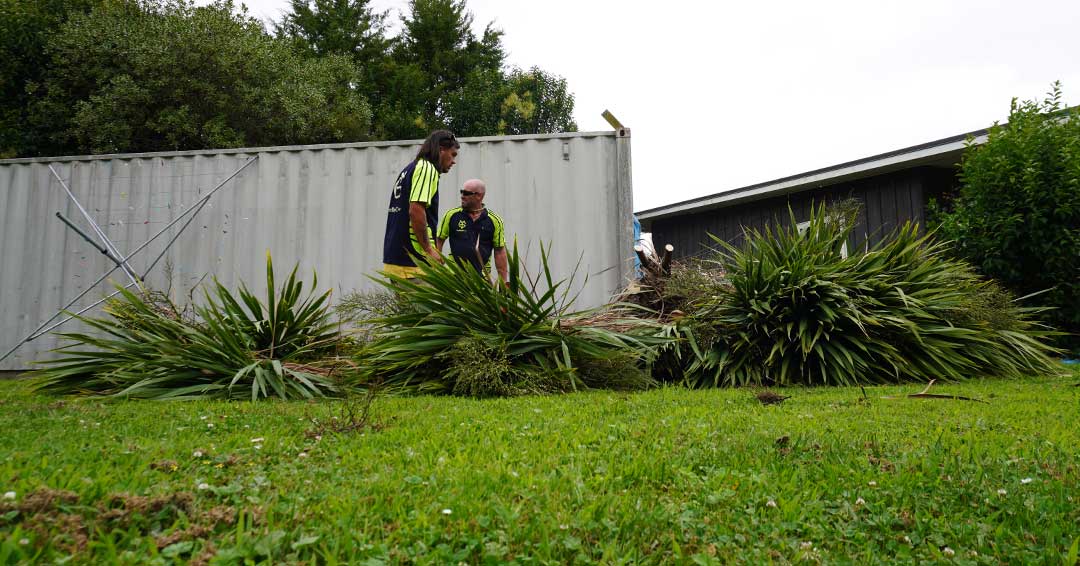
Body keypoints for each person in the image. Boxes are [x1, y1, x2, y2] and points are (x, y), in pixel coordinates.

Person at [382, 130, 459, 279]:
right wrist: (429, 250)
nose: (454, 161)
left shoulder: (410, 168)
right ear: (441, 149)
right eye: (453, 154)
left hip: (398, 258)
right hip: (415, 262)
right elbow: (416, 210)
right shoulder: (426, 168)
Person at [436, 179, 508, 285]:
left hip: (482, 281)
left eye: (466, 193)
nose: (462, 196)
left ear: (479, 196)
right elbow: (439, 240)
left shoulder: (494, 220)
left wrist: (503, 284)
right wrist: (436, 269)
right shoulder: (451, 215)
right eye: (461, 192)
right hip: (455, 279)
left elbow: (499, 252)